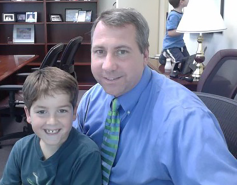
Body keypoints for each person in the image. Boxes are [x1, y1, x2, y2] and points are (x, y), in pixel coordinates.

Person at [73, 8, 237, 185]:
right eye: (99, 51)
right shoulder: (91, 99)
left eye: (122, 52)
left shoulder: (186, 120)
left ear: (144, 55)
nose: (108, 66)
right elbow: (70, 153)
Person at [0, 67, 102, 185]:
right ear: (28, 114)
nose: (52, 122)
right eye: (42, 112)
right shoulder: (21, 149)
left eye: (62, 111)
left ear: (74, 113)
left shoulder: (87, 154)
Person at [159, 0, 190, 71]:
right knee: (180, 64)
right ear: (181, 1)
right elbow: (170, 33)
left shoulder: (181, 14)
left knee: (188, 62)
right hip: (171, 46)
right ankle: (165, 54)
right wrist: (184, 29)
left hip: (181, 45)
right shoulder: (174, 15)